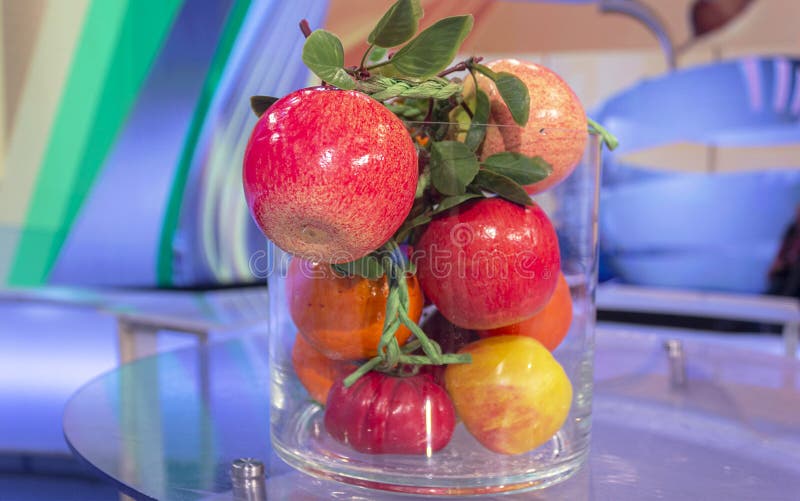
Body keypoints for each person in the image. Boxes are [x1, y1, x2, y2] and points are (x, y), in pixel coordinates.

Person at [768, 205, 800, 298]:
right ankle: (771, 297)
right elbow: (783, 248)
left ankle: (787, 298)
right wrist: (778, 261)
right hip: (788, 264)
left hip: (796, 266)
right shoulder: (792, 229)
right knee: (778, 271)